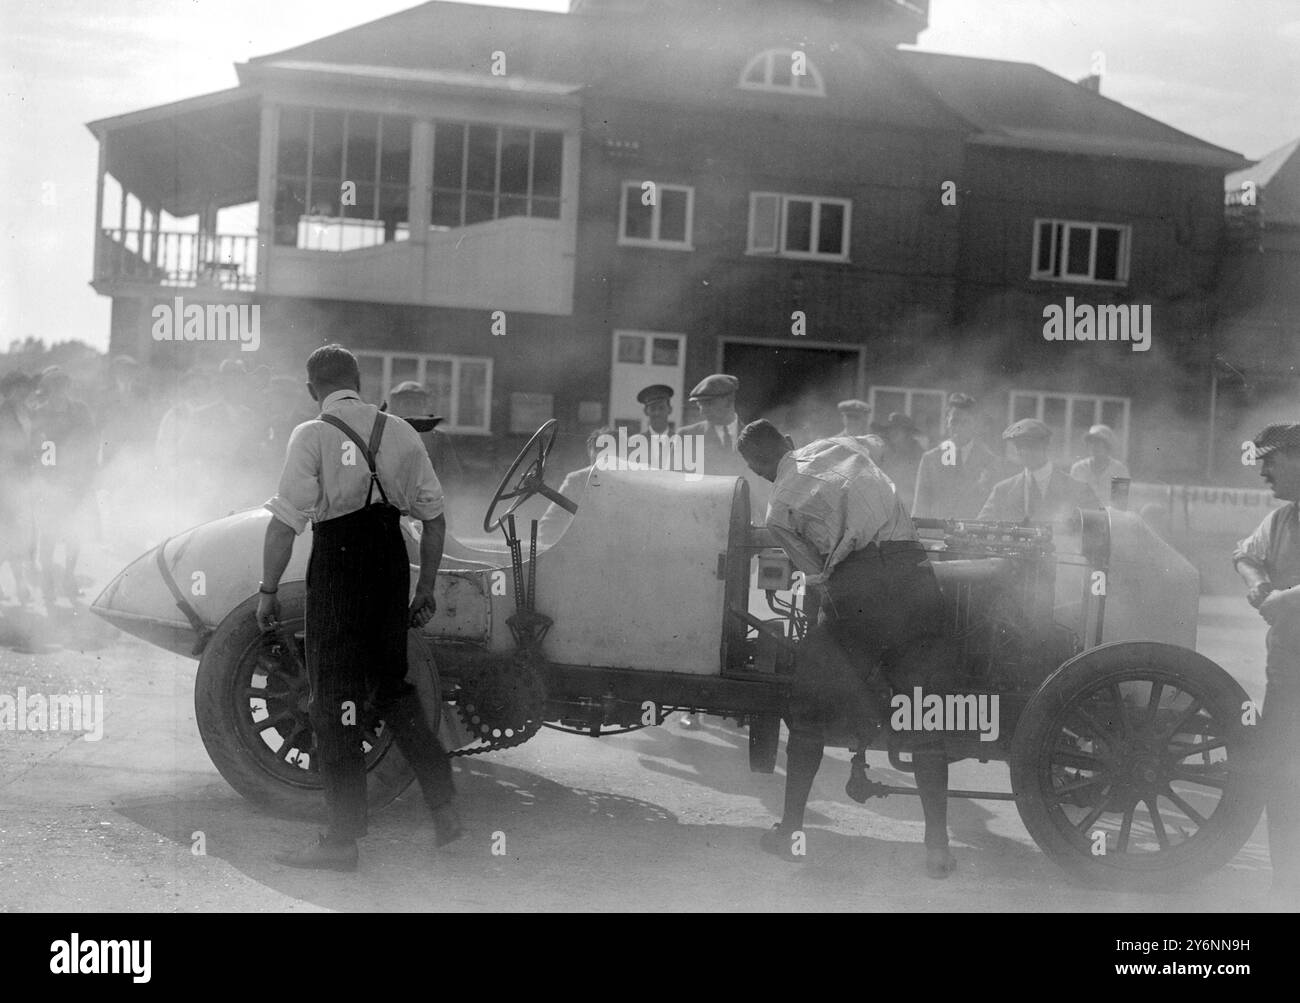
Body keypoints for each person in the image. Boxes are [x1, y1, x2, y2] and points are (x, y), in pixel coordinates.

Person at [257, 345, 460, 871]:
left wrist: (267, 590)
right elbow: (435, 520)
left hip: (339, 567)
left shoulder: (312, 434)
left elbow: (285, 524)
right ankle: (443, 804)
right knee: (393, 689)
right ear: (360, 382)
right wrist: (426, 587)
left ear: (312, 389)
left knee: (332, 701)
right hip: (389, 562)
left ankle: (343, 841)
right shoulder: (402, 432)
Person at [738, 419, 958, 878]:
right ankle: (937, 847)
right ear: (790, 441)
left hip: (858, 593)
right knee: (924, 716)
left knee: (807, 712)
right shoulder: (838, 444)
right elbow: (879, 444)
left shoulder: (778, 510)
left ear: (758, 468)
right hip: (915, 576)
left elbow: (816, 574)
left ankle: (791, 832)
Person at [1232, 422, 1300, 900]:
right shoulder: (1282, 520)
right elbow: (1244, 553)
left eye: (1271, 461)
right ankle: (1286, 889)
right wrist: (1256, 581)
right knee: (1282, 783)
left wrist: (1289, 599)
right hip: (1290, 676)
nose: (1263, 472)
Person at [30, 366, 98, 602]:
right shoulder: (40, 413)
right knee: (48, 535)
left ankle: (68, 576)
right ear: (48, 389)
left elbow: (91, 442)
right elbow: (35, 448)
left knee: (74, 533)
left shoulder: (80, 411)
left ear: (68, 386)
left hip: (76, 481)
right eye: (54, 385)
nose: (59, 390)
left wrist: (87, 474)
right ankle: (47, 579)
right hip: (49, 482)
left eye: (63, 384)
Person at [977, 419, 1101, 525]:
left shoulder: (1078, 489)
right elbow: (979, 529)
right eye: (1019, 446)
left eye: (1031, 445)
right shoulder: (1002, 491)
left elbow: (1097, 531)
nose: (1024, 452)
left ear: (1046, 446)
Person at [912, 393, 1006, 520]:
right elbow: (920, 507)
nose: (959, 427)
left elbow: (996, 509)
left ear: (975, 424)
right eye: (954, 421)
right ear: (947, 423)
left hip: (973, 535)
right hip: (935, 535)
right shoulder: (930, 459)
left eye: (965, 422)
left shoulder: (990, 461)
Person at [0, 371, 38, 603]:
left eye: (25, 387)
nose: (22, 392)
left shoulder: (29, 412)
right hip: (6, 480)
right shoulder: (3, 413)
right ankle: (20, 585)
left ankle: (20, 585)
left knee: (20, 536)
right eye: (17, 388)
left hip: (23, 480)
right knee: (9, 534)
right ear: (8, 390)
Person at [538, 427, 612, 545]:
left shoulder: (633, 482)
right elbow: (549, 525)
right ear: (590, 453)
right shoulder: (576, 480)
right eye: (598, 450)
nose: (602, 456)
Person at [386, 381, 464, 494]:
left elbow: (453, 474)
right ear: (397, 406)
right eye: (407, 403)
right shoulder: (385, 435)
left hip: (430, 502)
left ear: (424, 406)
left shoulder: (439, 438)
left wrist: (438, 494)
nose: (412, 408)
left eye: (417, 403)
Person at [677, 374, 748, 478]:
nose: (702, 411)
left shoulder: (755, 437)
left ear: (729, 400)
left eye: (709, 403)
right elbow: (674, 482)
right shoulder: (686, 436)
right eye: (699, 405)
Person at [873, 412, 924, 513]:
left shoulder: (919, 455)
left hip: (910, 511)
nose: (892, 433)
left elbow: (920, 491)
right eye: (891, 429)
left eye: (897, 429)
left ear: (907, 433)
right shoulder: (885, 453)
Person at [1070, 424, 1130, 505]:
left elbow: (1120, 503)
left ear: (1108, 445)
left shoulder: (1119, 470)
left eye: (1099, 442)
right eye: (1091, 442)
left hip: (1110, 515)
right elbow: (1072, 498)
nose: (1094, 446)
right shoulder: (1078, 468)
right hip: (1083, 514)